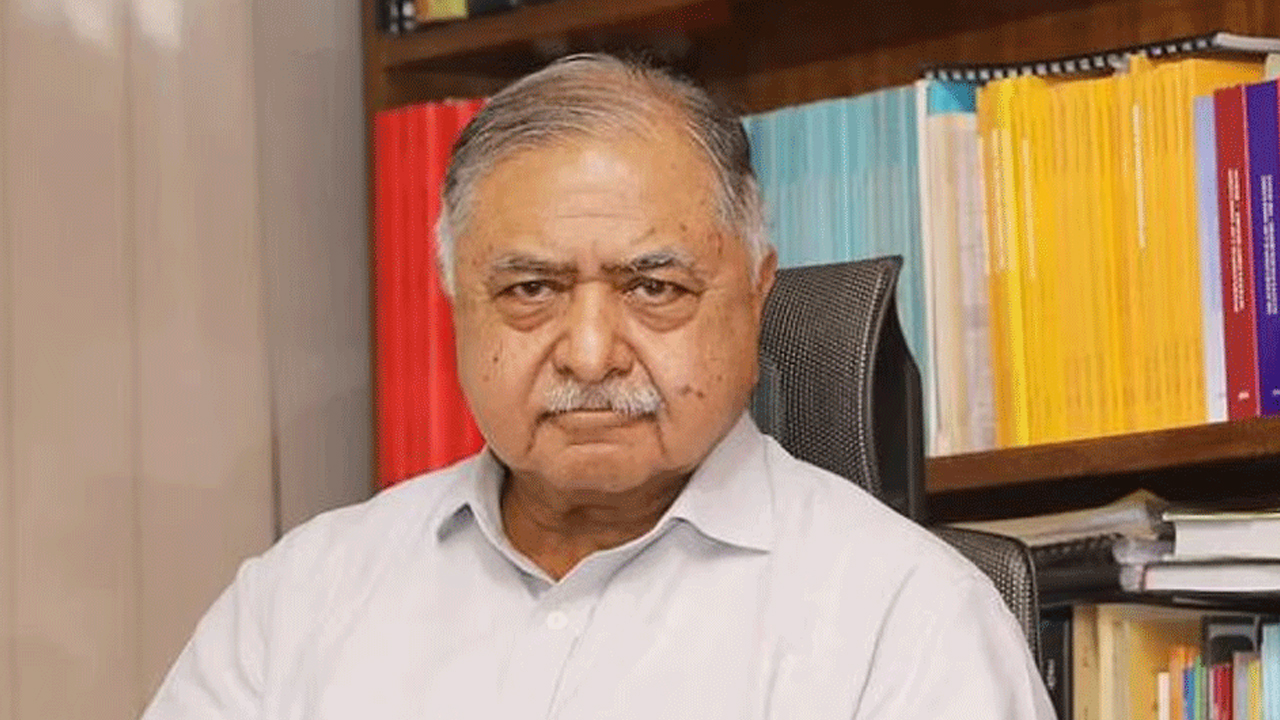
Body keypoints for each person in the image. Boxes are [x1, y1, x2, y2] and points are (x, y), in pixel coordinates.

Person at [141, 54, 1054, 719]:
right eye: (530, 290)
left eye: (653, 288)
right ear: (456, 300)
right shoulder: (300, 599)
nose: (588, 354)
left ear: (756, 294)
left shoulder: (906, 618)